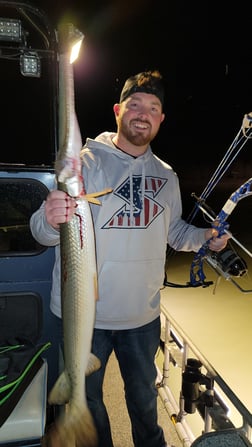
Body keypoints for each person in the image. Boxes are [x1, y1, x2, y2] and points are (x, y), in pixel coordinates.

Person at [30, 70, 229, 447]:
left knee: (142, 400)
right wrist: (50, 216)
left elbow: (175, 234)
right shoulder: (83, 165)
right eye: (135, 104)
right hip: (84, 317)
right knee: (88, 400)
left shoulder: (167, 176)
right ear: (118, 111)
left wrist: (206, 238)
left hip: (141, 316)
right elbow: (43, 232)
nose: (143, 113)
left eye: (153, 107)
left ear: (161, 119)